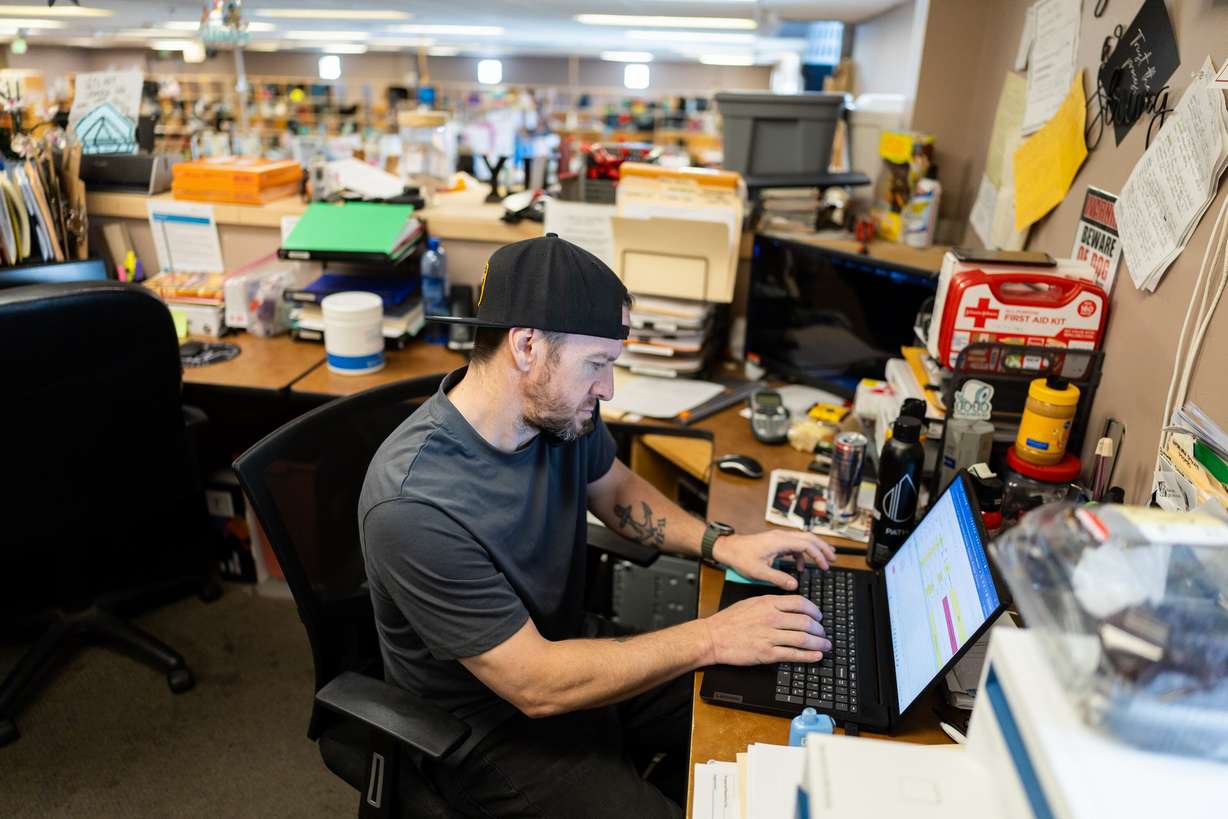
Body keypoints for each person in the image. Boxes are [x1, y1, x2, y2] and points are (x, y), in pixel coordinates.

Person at [358, 234, 833, 818]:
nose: (607, 387)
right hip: (488, 728)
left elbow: (613, 488)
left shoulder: (559, 412)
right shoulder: (415, 504)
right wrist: (712, 635)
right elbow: (535, 685)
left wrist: (723, 545)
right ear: (527, 345)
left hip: (571, 647)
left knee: (774, 691)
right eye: (598, 364)